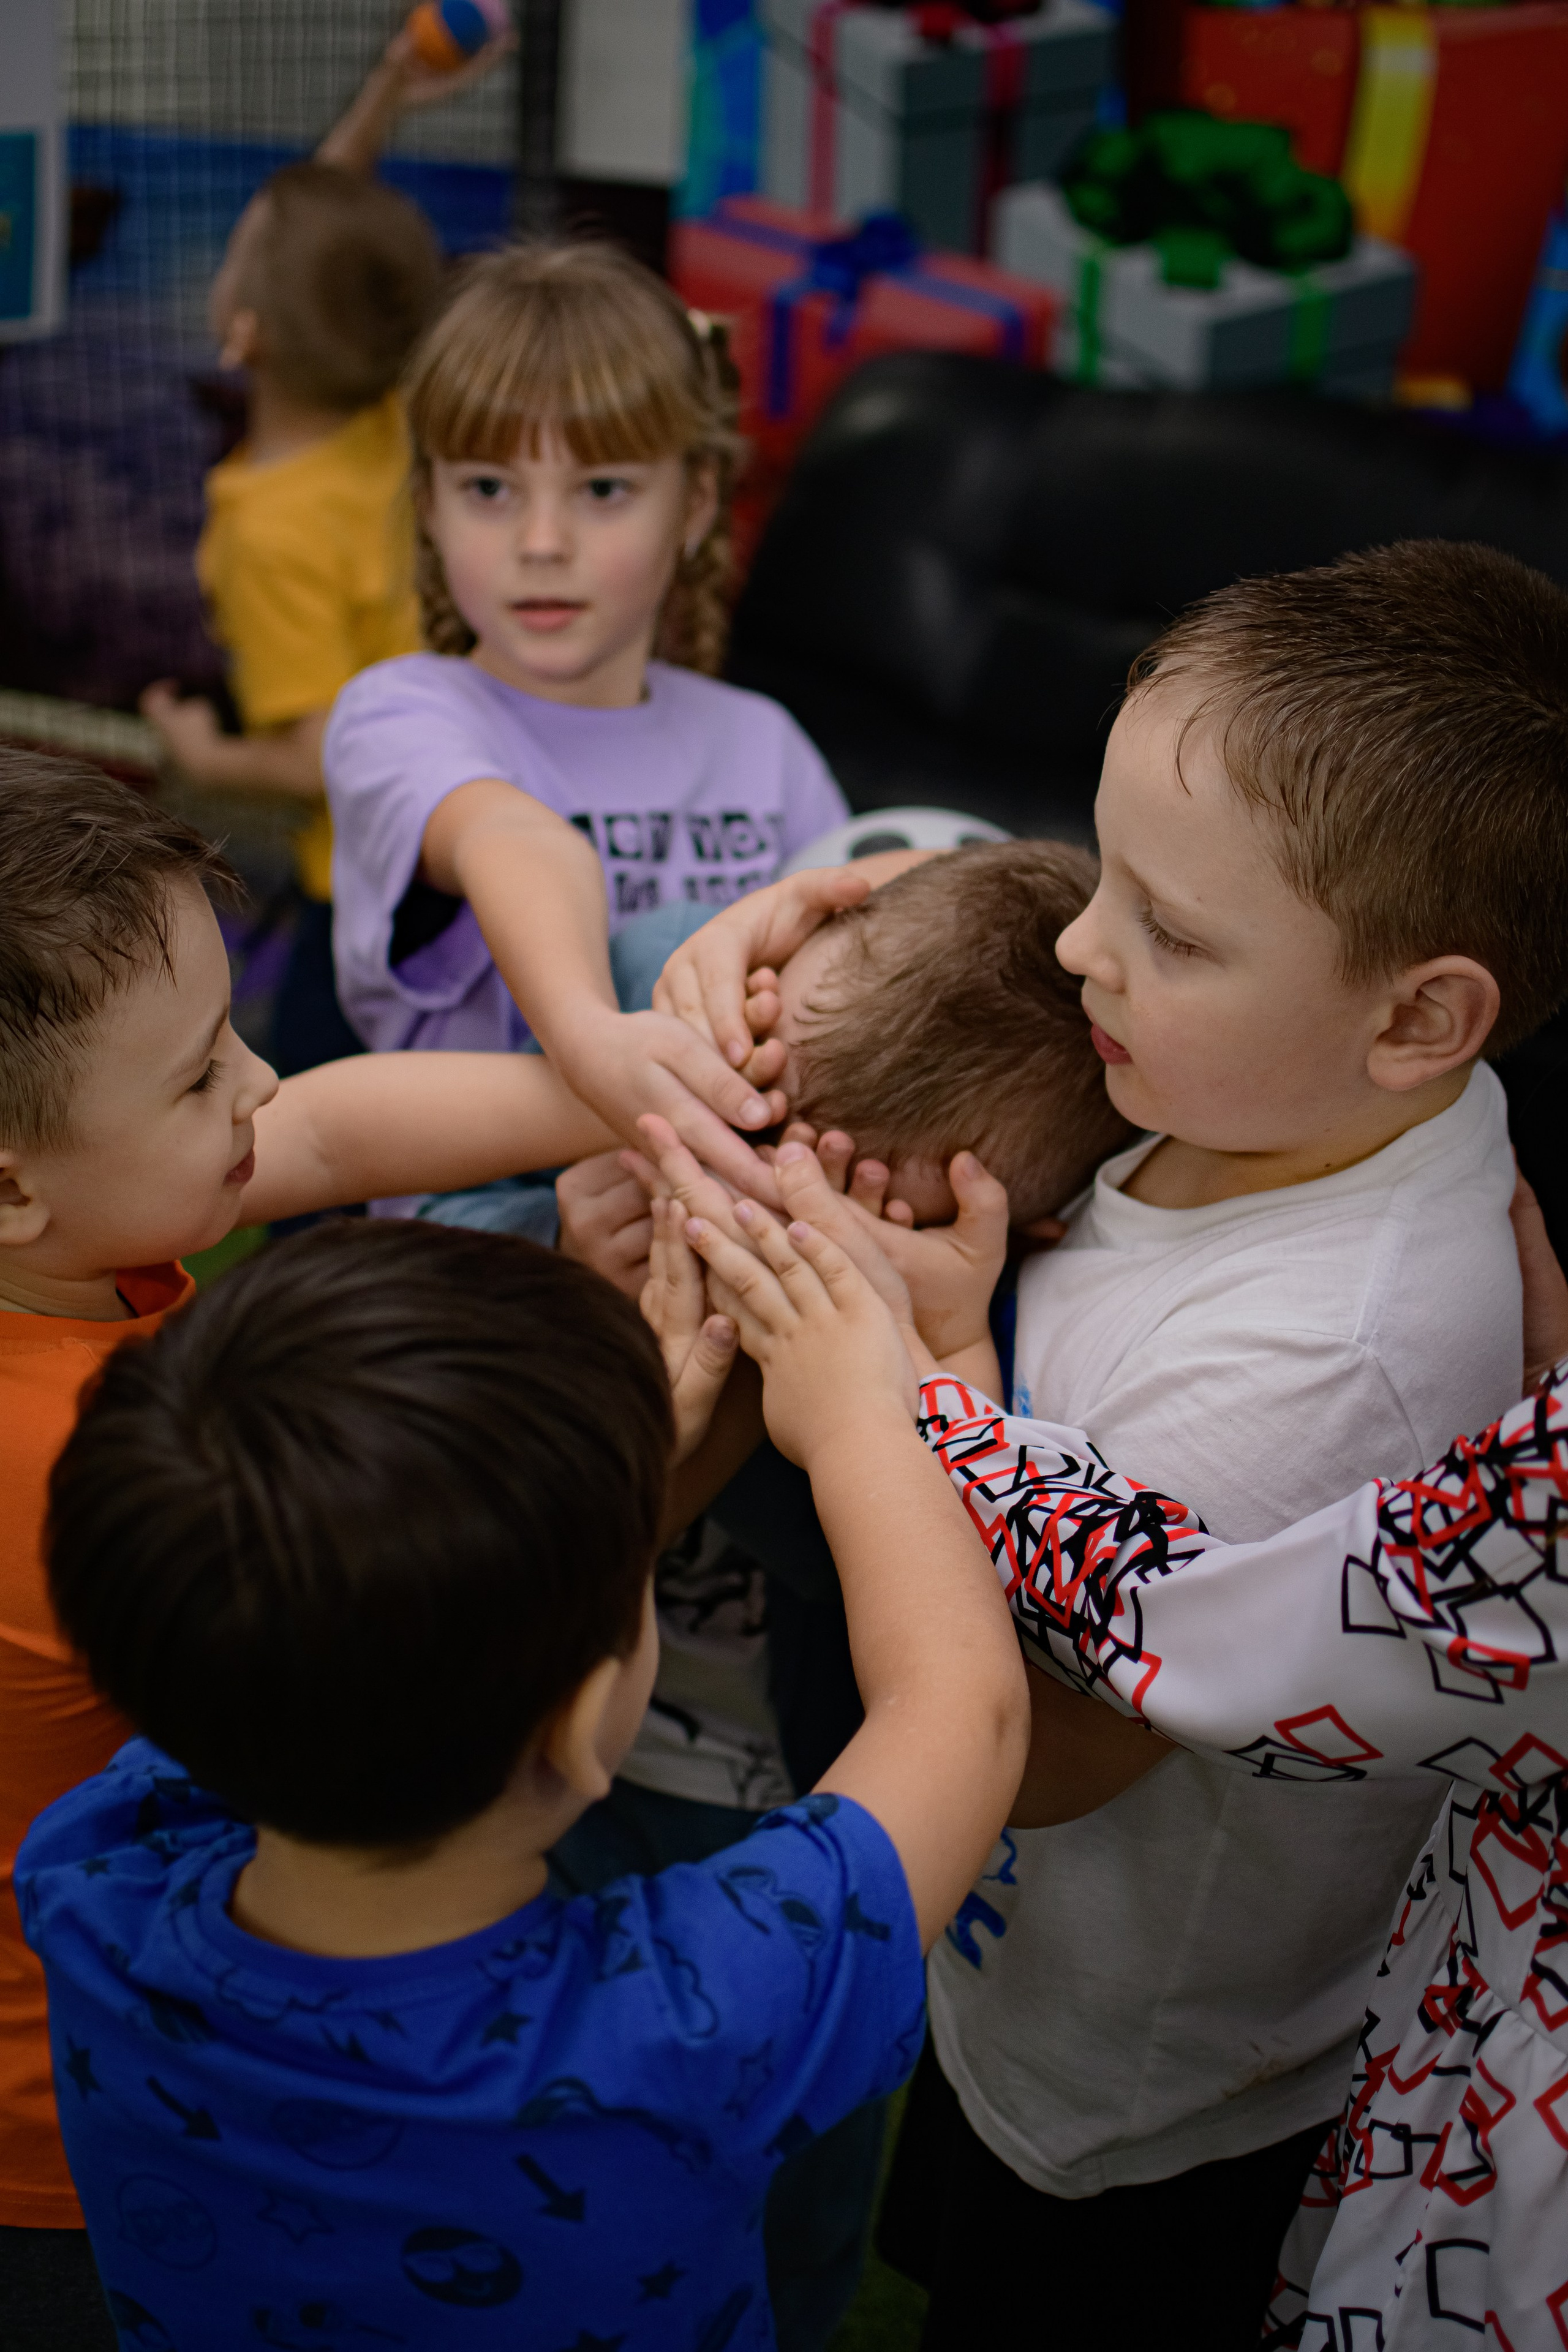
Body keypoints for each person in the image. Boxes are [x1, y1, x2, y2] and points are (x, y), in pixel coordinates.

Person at [642, 540, 1568, 2347]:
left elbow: (1055, 1760)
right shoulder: (1249, 1076)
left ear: (1418, 1017)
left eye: (1169, 929)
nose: (1083, 944)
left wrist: (913, 1387)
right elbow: (1028, 910)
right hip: (1029, 1981)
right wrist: (845, 907)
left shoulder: (1326, 1368)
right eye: (1106, 873)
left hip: (1140, 2097)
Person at [16, 1202, 1029, 2350]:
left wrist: (588, 1499)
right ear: (588, 1721)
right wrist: (858, 1419)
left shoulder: (94, 1874)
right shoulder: (685, 2025)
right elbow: (965, 1712)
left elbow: (369, 1645)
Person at [0, 749, 621, 2352]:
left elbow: (331, 1137)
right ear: (12, 1180)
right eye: (205, 1070)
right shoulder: (86, 1463)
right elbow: (420, 1637)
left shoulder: (83, 1232)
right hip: (79, 2118)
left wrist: (621, 1084)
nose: (266, 1080)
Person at [552, 842, 1130, 2342]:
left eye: (839, 1203)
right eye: (755, 1133)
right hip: (565, 1760)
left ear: (1001, 1233)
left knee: (787, 2186)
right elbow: (514, 1554)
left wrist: (889, 1385)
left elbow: (949, 1631)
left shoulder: (1012, 1322)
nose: (752, 1211)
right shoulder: (685, 1035)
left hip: (786, 1809)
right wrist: (583, 1309)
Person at [889, 1170, 1568, 2351]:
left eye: (1186, 961)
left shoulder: (1338, 1345)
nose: (1086, 968)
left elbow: (1202, 1631)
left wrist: (900, 1399)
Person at [322, 236, 852, 1208]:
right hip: (467, 1264)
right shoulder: (401, 713)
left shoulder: (764, 747)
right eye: (489, 488)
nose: (541, 543)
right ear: (429, 505)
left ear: (693, 503)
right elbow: (509, 836)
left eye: (602, 490)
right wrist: (592, 1042)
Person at [140, 17, 509, 1076]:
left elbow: (314, 757)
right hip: (466, 816)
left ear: (243, 333)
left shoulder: (268, 529)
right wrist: (389, 88)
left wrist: (206, 758)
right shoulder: (386, 405)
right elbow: (320, 242)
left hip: (373, 875)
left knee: (319, 1113)